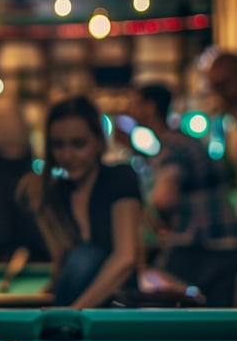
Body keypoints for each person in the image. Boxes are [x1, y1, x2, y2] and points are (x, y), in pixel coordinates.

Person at [16, 94, 143, 307]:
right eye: (58, 145)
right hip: (72, 312)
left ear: (98, 143)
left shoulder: (121, 177)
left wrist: (72, 313)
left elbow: (126, 258)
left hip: (116, 310)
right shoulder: (56, 193)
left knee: (86, 255)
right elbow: (62, 264)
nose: (67, 155)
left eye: (78, 144)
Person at [131, 83, 237, 307]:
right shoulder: (182, 140)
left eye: (135, 103)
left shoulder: (171, 144)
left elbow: (164, 198)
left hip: (201, 242)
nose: (130, 109)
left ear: (150, 107)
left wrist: (140, 209)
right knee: (217, 319)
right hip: (224, 240)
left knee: (153, 287)